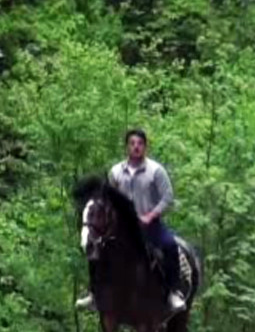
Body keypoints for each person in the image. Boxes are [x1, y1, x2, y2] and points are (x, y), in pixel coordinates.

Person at [76, 128, 186, 313]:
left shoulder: (156, 171)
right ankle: (94, 294)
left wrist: (150, 216)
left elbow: (167, 197)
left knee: (168, 245)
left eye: (140, 144)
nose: (136, 147)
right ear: (127, 147)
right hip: (121, 228)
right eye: (132, 143)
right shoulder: (116, 172)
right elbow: (107, 198)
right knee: (96, 248)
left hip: (149, 225)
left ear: (145, 147)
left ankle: (173, 292)